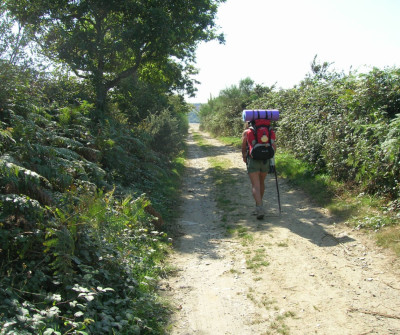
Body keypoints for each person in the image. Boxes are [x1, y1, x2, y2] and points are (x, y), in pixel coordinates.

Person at [241, 120, 276, 219]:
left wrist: (244, 156)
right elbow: (274, 146)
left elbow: (244, 146)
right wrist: (271, 159)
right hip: (266, 161)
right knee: (261, 183)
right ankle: (258, 206)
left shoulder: (247, 132)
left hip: (253, 160)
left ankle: (259, 208)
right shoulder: (269, 131)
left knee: (255, 185)